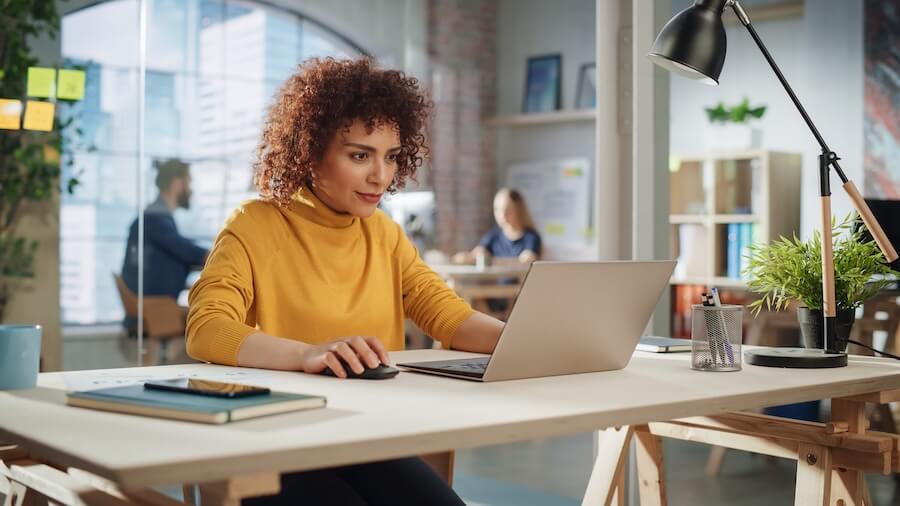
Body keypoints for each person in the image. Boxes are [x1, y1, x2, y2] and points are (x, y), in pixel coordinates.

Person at [186, 58, 504, 506]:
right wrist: (308, 354)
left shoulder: (385, 233)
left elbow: (448, 317)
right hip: (271, 445)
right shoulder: (254, 224)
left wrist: (525, 343)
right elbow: (206, 329)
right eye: (360, 155)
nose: (381, 176)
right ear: (309, 151)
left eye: (391, 157)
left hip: (365, 437)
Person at [121, 159, 208, 334]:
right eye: (189, 181)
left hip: (150, 300)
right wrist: (218, 255)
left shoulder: (153, 218)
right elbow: (183, 248)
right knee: (208, 321)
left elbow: (177, 247)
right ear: (177, 183)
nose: (191, 189)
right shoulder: (155, 220)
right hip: (153, 305)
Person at [453, 188, 542, 265]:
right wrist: (466, 257)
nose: (502, 215)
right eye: (498, 210)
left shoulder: (531, 237)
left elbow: (527, 261)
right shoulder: (494, 235)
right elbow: (476, 254)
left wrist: (490, 261)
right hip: (497, 284)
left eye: (508, 209)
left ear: (518, 210)